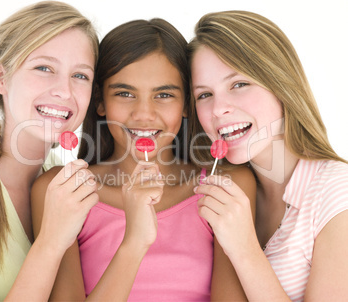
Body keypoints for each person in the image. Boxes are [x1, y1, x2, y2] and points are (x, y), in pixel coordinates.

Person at [32, 18, 256, 301]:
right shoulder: (60, 189)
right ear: (100, 101)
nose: (144, 114)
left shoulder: (226, 185)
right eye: (125, 93)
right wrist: (135, 241)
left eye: (163, 95)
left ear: (187, 104)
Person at [189, 10, 348, 302]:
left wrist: (244, 248)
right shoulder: (220, 190)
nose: (218, 109)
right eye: (204, 94)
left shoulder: (337, 194)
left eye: (238, 84)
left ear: (281, 83)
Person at [0, 1, 99, 301]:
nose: (65, 91)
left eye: (80, 75)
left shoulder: (65, 178)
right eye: (44, 68)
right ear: (1, 77)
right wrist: (52, 241)